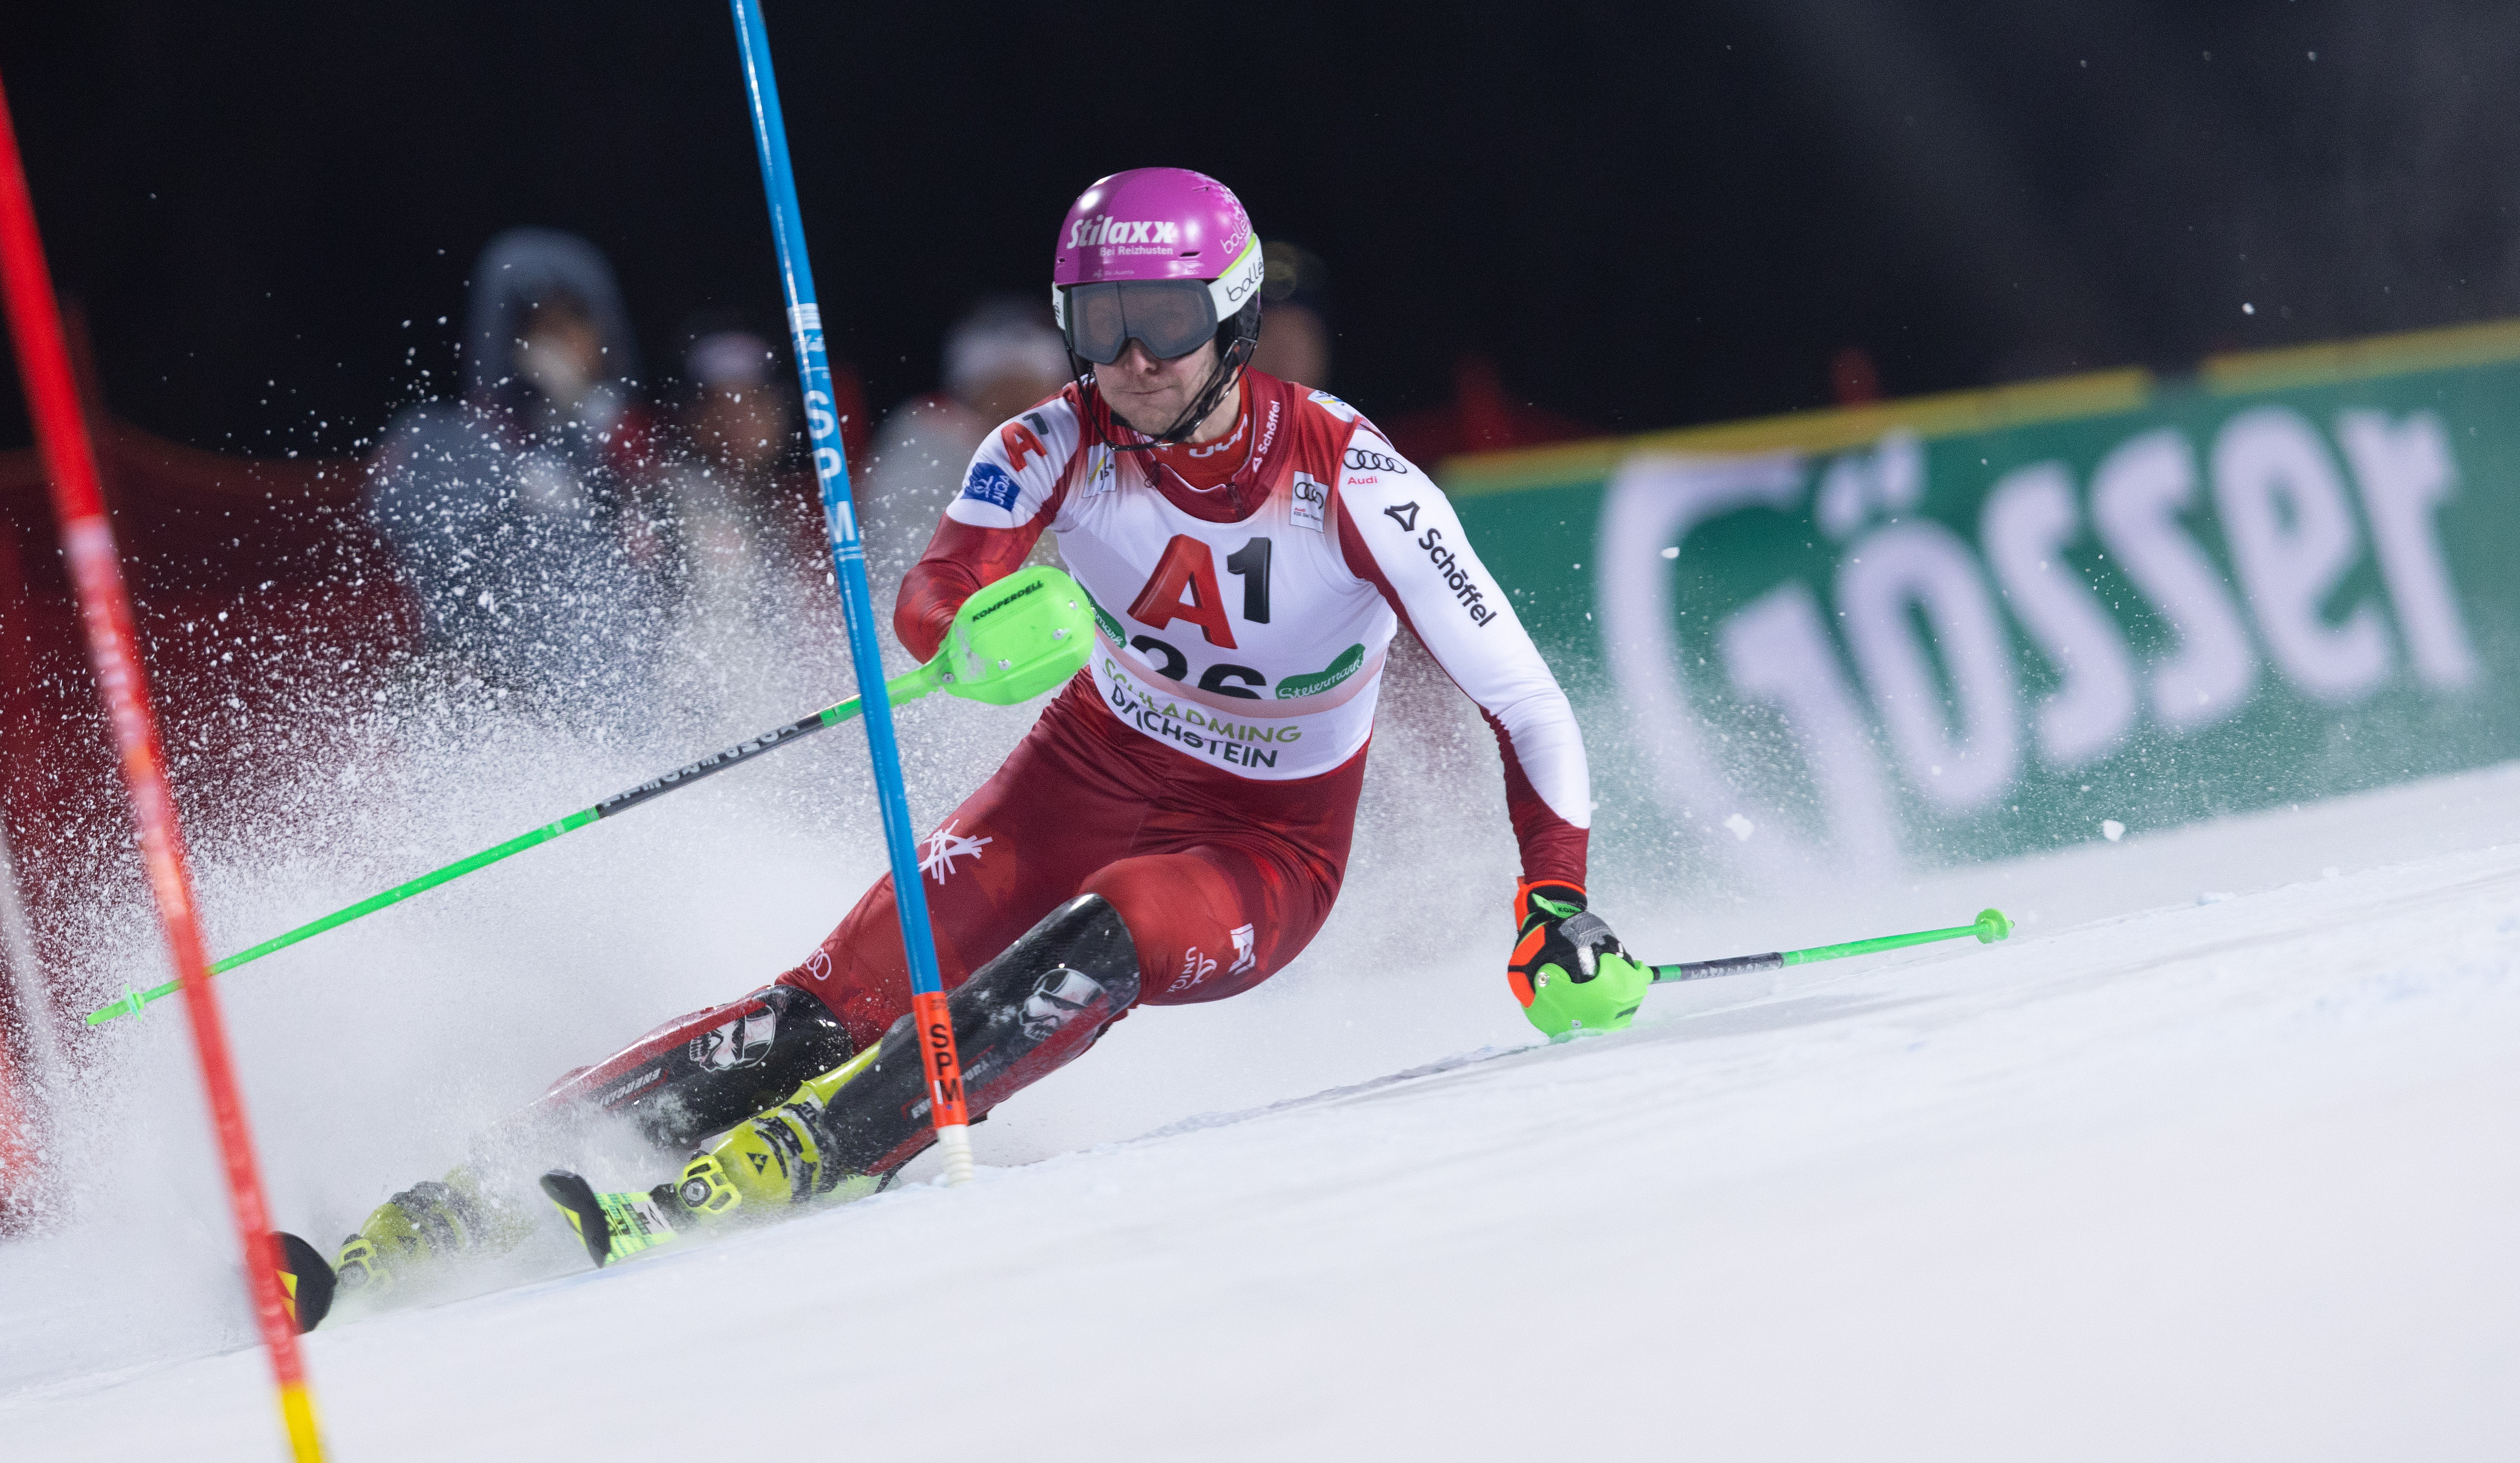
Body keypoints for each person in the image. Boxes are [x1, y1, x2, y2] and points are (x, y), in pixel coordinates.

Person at [318, 169, 1645, 1299]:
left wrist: (1554, 898)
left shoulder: (1352, 478)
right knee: (827, 998)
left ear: (1232, 319)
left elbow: (1522, 697)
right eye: (1102, 322)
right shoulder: (1047, 439)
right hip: (1082, 772)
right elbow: (933, 591)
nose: (1133, 359)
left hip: (1261, 841)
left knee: (1114, 926)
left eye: (1166, 322)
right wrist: (972, 628)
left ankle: (825, 1146)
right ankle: (492, 1176)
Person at [363, 228, 664, 693]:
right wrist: (512, 485)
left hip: (621, 696)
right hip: (494, 689)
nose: (555, 342)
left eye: (572, 323)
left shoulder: (632, 443)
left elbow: (669, 567)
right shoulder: (442, 437)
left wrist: (577, 427)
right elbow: (416, 532)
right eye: (535, 325)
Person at [855, 297, 1072, 603]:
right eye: (1001, 388)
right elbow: (902, 548)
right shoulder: (927, 436)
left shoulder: (1077, 439)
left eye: (1030, 387)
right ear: (970, 389)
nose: (1017, 404)